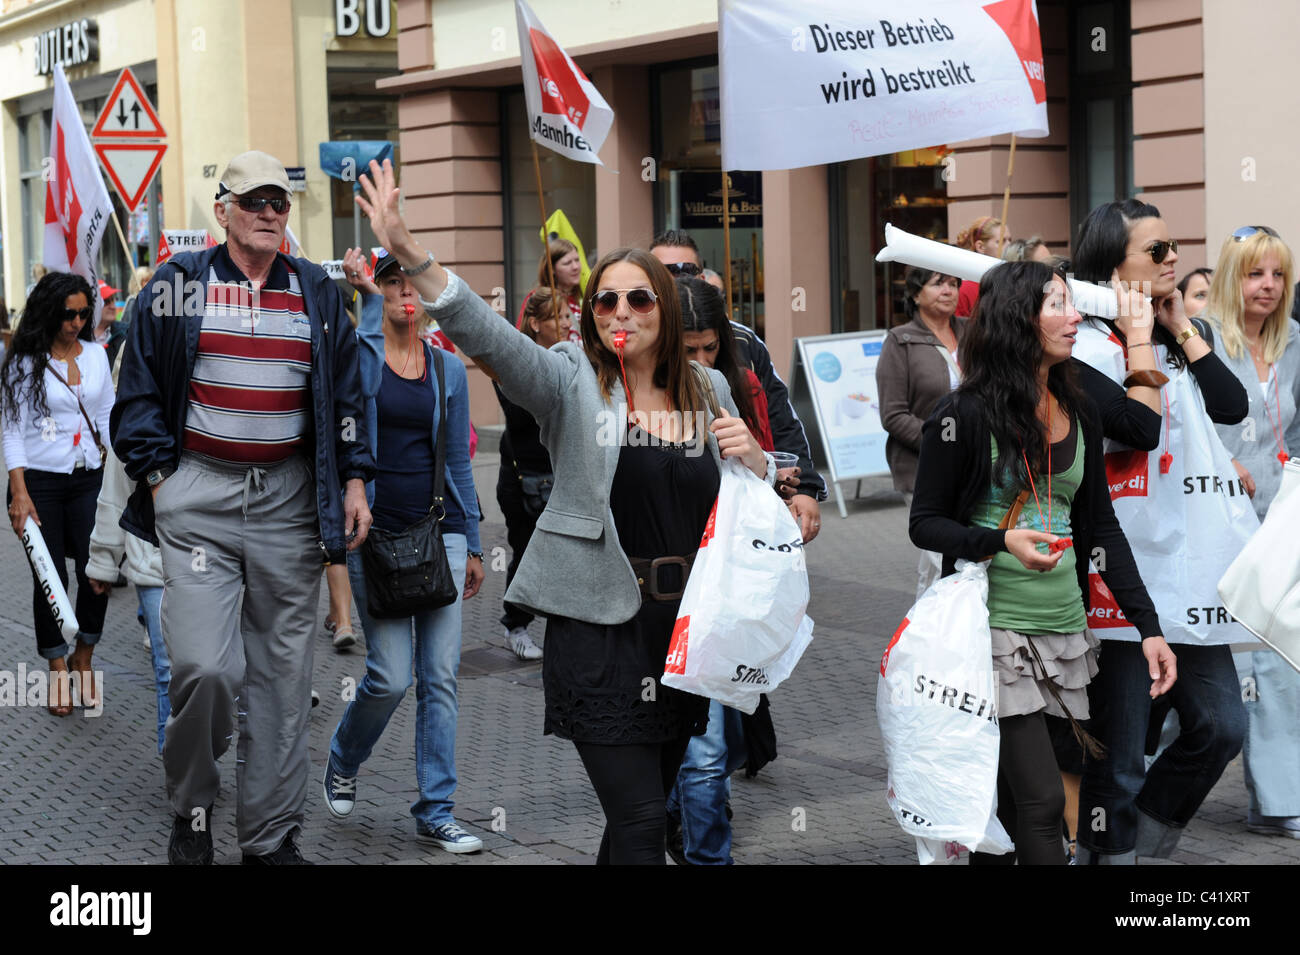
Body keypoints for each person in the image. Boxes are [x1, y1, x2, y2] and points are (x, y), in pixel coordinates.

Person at [354, 158, 776, 864]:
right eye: (605, 301)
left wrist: (760, 464)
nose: (619, 313)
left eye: (639, 300)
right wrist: (408, 251)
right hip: (600, 630)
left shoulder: (707, 389)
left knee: (634, 823)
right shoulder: (569, 381)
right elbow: (487, 336)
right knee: (643, 821)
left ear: (665, 309)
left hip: (684, 634)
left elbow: (755, 502)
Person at [112, 150, 374, 865]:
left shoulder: (317, 291)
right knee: (204, 669)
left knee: (285, 684)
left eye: (279, 203)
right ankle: (192, 809)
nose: (268, 213)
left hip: (289, 500)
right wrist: (163, 479)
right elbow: (134, 393)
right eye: (254, 200)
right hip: (199, 495)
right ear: (222, 208)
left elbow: (348, 398)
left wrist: (353, 481)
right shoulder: (178, 284)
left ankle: (267, 838)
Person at [910, 260, 1176, 865]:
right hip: (992, 633)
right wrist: (1001, 542)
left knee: (1021, 802)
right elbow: (924, 524)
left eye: (1070, 303)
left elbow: (1102, 528)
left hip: (1064, 632)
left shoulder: (1078, 405)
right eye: (1056, 304)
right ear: (1016, 319)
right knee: (1039, 801)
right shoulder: (964, 415)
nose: (1075, 315)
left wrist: (1149, 626)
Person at [1070, 198, 1250, 865]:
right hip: (1119, 578)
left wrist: (1182, 328)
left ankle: (1137, 844)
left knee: (1223, 725)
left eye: (1173, 246)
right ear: (1113, 272)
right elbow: (1134, 429)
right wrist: (1139, 335)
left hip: (1188, 572)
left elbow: (1231, 407)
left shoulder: (1176, 333)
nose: (1173, 258)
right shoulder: (1084, 347)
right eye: (1156, 252)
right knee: (1118, 756)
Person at [322, 246, 485, 853]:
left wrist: (473, 540)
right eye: (391, 284)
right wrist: (365, 295)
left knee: (439, 677)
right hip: (373, 537)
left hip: (437, 531)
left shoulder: (446, 370)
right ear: (380, 293)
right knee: (389, 677)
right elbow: (345, 409)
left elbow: (462, 463)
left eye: (412, 283)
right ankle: (343, 755)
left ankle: (436, 808)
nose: (403, 294)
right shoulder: (361, 358)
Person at [666, 275, 774, 866]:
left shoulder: (742, 383)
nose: (702, 362)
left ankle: (695, 840)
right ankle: (694, 845)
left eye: (711, 349)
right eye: (689, 351)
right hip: (657, 593)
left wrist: (762, 461)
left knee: (719, 745)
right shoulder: (631, 394)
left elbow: (774, 468)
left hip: (724, 584)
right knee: (695, 749)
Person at [1202, 225, 1300, 838]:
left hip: (1280, 525)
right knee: (1213, 666)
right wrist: (1220, 460)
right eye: (1254, 273)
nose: (1267, 286)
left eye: (1278, 274)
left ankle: (1278, 798)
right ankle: (1130, 778)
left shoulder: (1297, 341)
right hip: (1216, 523)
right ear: (1231, 277)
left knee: (1279, 658)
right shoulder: (1203, 339)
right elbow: (1177, 426)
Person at [650, 229, 826, 543]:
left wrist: (805, 489)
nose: (677, 281)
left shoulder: (743, 340)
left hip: (745, 515)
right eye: (664, 274)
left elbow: (782, 420)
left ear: (701, 277)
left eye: (686, 271)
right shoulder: (637, 351)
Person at [1, 272, 113, 716]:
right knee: (49, 577)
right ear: (50, 312)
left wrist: (121, 479)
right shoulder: (23, 362)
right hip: (41, 481)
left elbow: (107, 418)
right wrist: (18, 492)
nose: (78, 322)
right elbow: (12, 431)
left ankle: (83, 655)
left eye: (85, 313)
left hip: (90, 477)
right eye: (70, 314)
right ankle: (56, 669)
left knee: (96, 569)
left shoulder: (96, 356)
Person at [86, 344, 169, 752]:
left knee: (218, 673)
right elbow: (114, 492)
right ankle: (182, 777)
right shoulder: (133, 421)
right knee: (168, 669)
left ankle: (205, 750)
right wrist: (103, 562)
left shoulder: (208, 411)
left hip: (215, 562)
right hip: (151, 558)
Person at [876, 267, 966, 597]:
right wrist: (941, 446)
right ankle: (937, 630)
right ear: (916, 294)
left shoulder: (972, 333)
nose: (949, 290)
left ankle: (922, 628)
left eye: (954, 283)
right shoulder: (900, 341)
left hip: (973, 465)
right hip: (923, 467)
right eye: (938, 283)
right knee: (945, 553)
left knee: (938, 559)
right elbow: (893, 413)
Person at [496, 287, 571, 661]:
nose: (569, 323)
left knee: (568, 554)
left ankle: (566, 628)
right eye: (560, 316)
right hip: (524, 480)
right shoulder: (516, 363)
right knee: (527, 553)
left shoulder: (576, 359)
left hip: (563, 475)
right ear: (536, 324)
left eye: (571, 315)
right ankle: (516, 624)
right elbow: (522, 415)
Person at [518, 239, 583, 343]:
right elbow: (523, 340)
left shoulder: (579, 299)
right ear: (552, 269)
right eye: (567, 263)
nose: (575, 267)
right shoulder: (538, 298)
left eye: (577, 260)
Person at [953, 215, 1008, 317]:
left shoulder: (1008, 281)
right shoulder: (965, 289)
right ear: (980, 247)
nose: (1009, 246)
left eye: (1010, 240)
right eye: (1002, 241)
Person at [86, 280, 127, 365]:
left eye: (113, 300)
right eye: (106, 302)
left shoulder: (127, 332)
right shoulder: (78, 337)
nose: (112, 306)